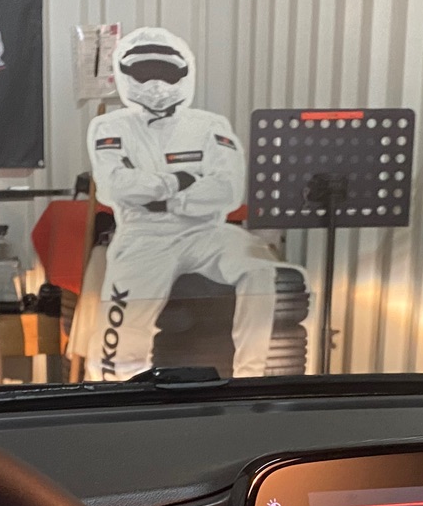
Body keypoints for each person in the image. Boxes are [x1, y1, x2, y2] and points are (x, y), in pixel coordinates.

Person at [83, 26, 300, 380]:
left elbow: (227, 189)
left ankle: (251, 379)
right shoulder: (110, 126)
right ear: (126, 74)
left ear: (183, 74)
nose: (155, 83)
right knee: (121, 338)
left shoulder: (210, 125)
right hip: (143, 235)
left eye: (166, 73)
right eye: (143, 72)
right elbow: (115, 186)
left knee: (260, 269)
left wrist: (165, 199)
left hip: (205, 231)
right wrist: (180, 180)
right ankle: (120, 396)